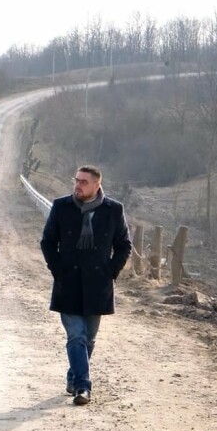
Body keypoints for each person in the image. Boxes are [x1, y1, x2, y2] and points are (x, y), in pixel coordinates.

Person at [39, 165, 132, 406]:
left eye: (84, 182)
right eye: (76, 180)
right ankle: (83, 386)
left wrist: (111, 271)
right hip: (68, 282)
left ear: (97, 185)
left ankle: (73, 377)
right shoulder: (61, 206)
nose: (78, 185)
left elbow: (124, 245)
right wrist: (57, 269)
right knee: (76, 337)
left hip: (98, 284)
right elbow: (48, 242)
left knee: (89, 339)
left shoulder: (114, 210)